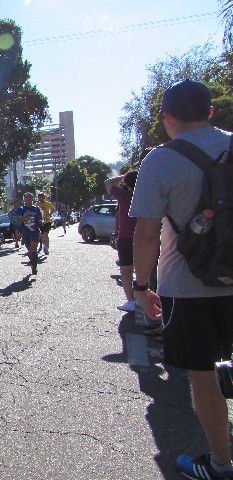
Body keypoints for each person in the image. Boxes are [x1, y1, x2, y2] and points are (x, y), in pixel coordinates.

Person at [130, 79, 233, 480]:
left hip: (187, 287)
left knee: (202, 374)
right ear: (210, 111)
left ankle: (221, 465)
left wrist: (141, 287)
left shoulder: (160, 160)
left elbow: (146, 233)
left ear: (167, 118)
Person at [105, 170, 138, 313]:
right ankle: (145, 297)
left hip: (126, 237)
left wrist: (123, 177)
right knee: (145, 269)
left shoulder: (124, 196)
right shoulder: (145, 196)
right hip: (143, 236)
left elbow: (108, 182)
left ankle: (131, 301)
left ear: (126, 183)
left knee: (126, 270)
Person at [17, 192, 43, 275]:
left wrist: (41, 222)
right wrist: (24, 216)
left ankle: (34, 267)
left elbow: (39, 219)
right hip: (25, 232)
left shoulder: (36, 209)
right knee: (29, 250)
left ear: (32, 199)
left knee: (33, 248)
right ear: (23, 199)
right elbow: (18, 221)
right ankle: (33, 263)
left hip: (35, 231)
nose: (28, 199)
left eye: (30, 197)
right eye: (26, 197)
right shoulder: (21, 209)